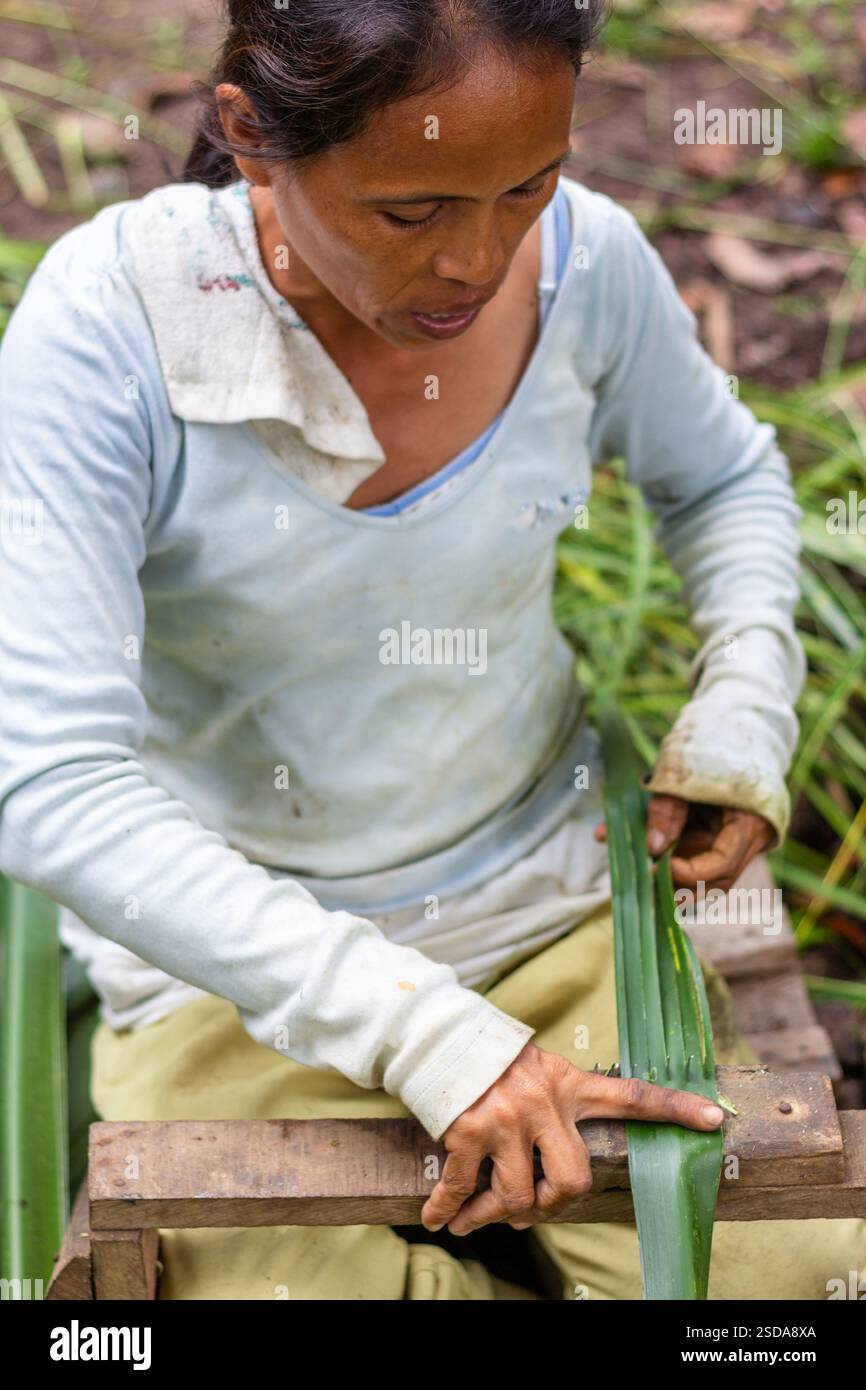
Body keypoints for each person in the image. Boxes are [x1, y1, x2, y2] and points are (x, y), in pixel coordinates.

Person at [1, 0, 862, 1300]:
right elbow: (50, 784)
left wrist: (744, 698)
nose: (478, 260)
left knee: (783, 1288)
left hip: (542, 893)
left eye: (528, 183)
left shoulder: (585, 267)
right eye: (411, 211)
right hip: (233, 960)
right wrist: (423, 1034)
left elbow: (724, 479)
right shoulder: (113, 331)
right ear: (251, 137)